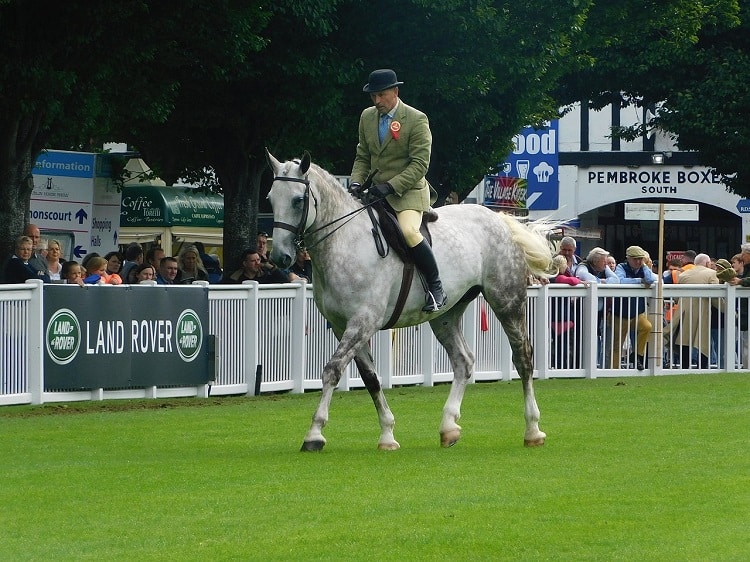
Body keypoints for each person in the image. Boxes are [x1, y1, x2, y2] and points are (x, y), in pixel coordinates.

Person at [349, 68, 446, 312]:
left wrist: (391, 186)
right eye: (373, 96)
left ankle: (436, 288)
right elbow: (362, 156)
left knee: (409, 231)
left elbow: (419, 165)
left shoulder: (416, 119)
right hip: (375, 192)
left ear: (395, 91)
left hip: (408, 193)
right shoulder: (366, 117)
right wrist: (356, 182)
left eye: (381, 95)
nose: (377, 101)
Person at [611, 245, 657, 371]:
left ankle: (637, 355)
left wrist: (645, 266)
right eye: (635, 259)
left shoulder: (643, 267)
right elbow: (620, 281)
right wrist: (639, 281)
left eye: (640, 259)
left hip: (637, 311)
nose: (638, 261)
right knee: (617, 343)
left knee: (647, 326)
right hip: (620, 312)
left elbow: (651, 279)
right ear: (628, 259)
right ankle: (613, 370)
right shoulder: (621, 267)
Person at [672, 253, 721, 369]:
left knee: (684, 340)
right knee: (703, 342)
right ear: (708, 263)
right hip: (703, 312)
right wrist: (728, 309)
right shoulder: (712, 274)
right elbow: (716, 297)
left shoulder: (683, 275)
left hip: (684, 312)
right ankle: (702, 368)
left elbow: (677, 297)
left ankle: (684, 368)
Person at [575, 247, 619, 367]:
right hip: (582, 311)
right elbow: (585, 277)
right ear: (595, 261)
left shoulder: (603, 268)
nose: (606, 264)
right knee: (582, 338)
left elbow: (616, 280)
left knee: (596, 337)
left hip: (597, 312)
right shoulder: (583, 266)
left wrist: (602, 282)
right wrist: (602, 282)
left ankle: (593, 365)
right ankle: (582, 366)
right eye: (604, 261)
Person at [549, 255, 584, 368]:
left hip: (556, 316)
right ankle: (562, 367)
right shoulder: (558, 278)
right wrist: (581, 281)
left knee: (559, 344)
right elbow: (572, 281)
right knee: (562, 345)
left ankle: (560, 366)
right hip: (562, 316)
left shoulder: (550, 277)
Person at [729, 243, 750, 368]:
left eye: (743, 254)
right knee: (745, 342)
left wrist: (741, 281)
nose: (742, 256)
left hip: (746, 311)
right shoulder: (746, 268)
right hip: (745, 311)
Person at [223, 249, 288, 284]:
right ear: (245, 263)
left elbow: (285, 281)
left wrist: (269, 266)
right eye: (253, 261)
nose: (257, 263)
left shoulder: (265, 276)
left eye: (258, 260)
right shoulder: (234, 277)